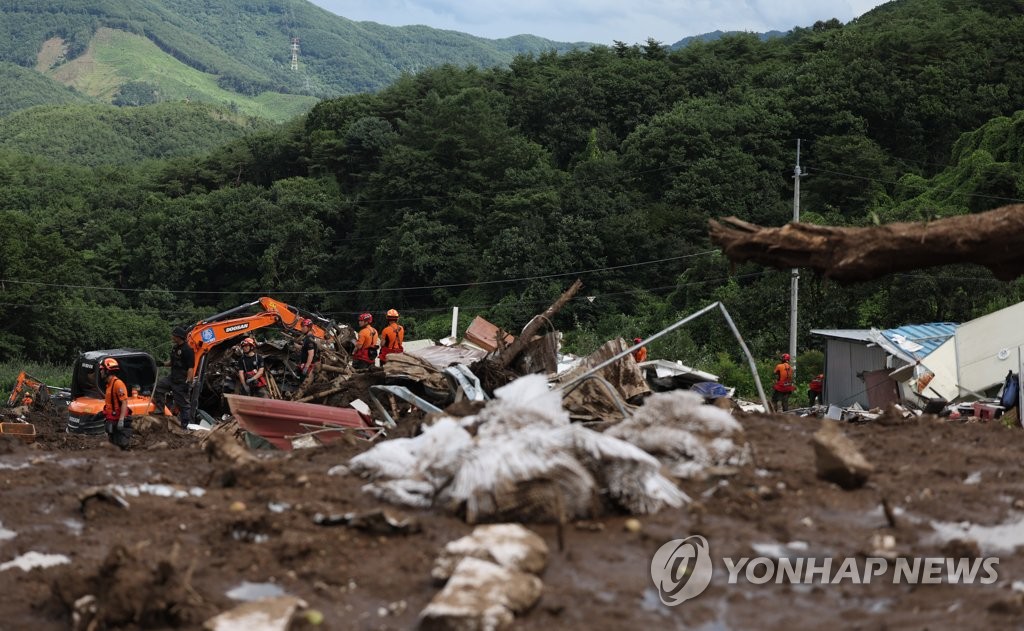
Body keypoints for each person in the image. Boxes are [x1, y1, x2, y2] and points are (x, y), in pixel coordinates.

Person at [155, 325, 195, 429]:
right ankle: (160, 409)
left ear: (178, 337)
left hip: (181, 381)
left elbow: (191, 368)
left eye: (173, 335)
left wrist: (188, 382)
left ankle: (184, 426)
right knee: (158, 386)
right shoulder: (175, 348)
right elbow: (172, 362)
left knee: (183, 405)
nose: (172, 337)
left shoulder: (188, 350)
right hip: (172, 378)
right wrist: (162, 363)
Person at [99, 357, 132, 450]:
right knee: (113, 446)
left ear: (107, 371)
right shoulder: (109, 385)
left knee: (122, 445)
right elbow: (111, 404)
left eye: (102, 370)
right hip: (112, 420)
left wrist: (121, 420)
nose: (100, 372)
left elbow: (124, 402)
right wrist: (102, 413)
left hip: (119, 420)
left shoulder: (118, 384)